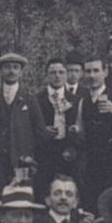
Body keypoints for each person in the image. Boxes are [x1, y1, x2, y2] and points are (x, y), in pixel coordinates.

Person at [0, 53, 38, 194]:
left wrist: (30, 155)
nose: (11, 71)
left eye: (15, 67)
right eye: (7, 67)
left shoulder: (29, 98)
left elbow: (39, 130)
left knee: (22, 195)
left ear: (21, 72)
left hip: (22, 159)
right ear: (1, 71)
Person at [77, 54, 112, 201]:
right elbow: (82, 132)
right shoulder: (83, 102)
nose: (92, 76)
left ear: (105, 72)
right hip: (93, 165)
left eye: (96, 71)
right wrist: (74, 130)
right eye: (88, 71)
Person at [33, 56, 80, 194]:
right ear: (46, 75)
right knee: (43, 190)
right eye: (53, 73)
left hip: (69, 153)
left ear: (66, 74)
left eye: (61, 72)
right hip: (44, 154)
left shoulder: (76, 100)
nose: (57, 76)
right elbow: (30, 128)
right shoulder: (36, 99)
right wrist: (42, 131)